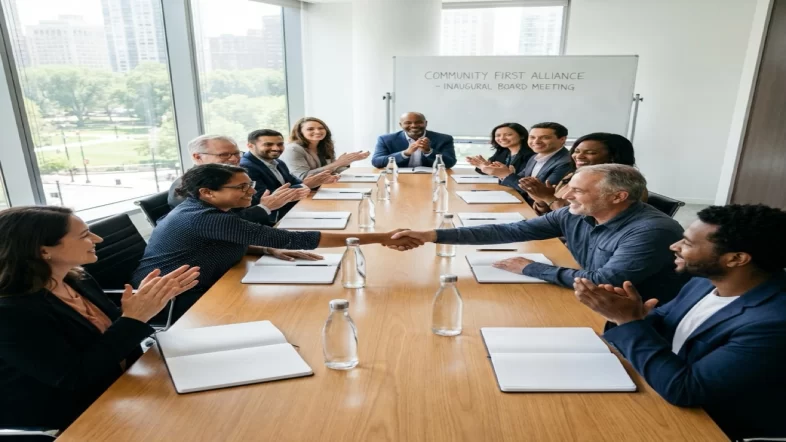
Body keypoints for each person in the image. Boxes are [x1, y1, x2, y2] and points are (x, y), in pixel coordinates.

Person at [573, 204, 786, 440]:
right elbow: (660, 320)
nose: (674, 246)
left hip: (714, 425)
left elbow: (685, 390)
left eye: (688, 243)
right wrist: (625, 312)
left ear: (736, 259)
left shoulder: (773, 323)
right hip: (661, 389)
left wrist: (627, 320)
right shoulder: (704, 282)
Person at [132, 164, 424, 322]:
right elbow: (296, 238)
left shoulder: (204, 211)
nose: (251, 192)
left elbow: (215, 243)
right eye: (242, 187)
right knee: (295, 317)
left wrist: (265, 247)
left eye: (250, 185)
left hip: (208, 283)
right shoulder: (207, 217)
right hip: (176, 301)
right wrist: (382, 237)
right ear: (207, 192)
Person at [0, 206, 199, 430]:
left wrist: (144, 303)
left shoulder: (76, 278)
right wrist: (135, 318)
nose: (98, 239)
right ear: (43, 251)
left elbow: (110, 333)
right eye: (84, 235)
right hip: (70, 411)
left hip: (121, 382)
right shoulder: (10, 313)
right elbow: (75, 377)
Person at [390, 164, 687, 304]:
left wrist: (530, 268)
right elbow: (510, 230)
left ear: (618, 197)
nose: (565, 195)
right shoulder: (576, 213)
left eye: (578, 190)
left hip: (639, 313)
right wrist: (431, 235)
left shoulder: (651, 231)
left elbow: (603, 281)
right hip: (591, 299)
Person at [168, 134, 306, 226]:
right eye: (224, 155)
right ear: (198, 157)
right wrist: (265, 206)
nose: (234, 159)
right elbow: (222, 225)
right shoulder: (186, 186)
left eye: (236, 153)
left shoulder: (229, 177)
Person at [521, 132, 647, 215]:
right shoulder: (571, 176)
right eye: (576, 151)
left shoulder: (625, 185)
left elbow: (579, 221)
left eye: (590, 153)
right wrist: (541, 200)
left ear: (613, 157)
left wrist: (548, 198)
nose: (579, 156)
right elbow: (550, 215)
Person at [240, 129, 338, 219]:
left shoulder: (278, 162)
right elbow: (263, 197)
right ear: (250, 146)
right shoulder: (246, 167)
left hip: (292, 208)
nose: (276, 148)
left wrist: (318, 181)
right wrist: (305, 185)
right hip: (272, 218)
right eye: (268, 144)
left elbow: (294, 182)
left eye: (280, 144)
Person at [482, 122, 573, 202]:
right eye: (532, 137)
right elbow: (520, 180)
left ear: (562, 139)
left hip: (541, 209)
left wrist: (505, 174)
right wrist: (503, 173)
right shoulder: (534, 157)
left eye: (545, 138)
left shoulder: (566, 162)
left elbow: (540, 192)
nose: (536, 141)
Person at [281, 117, 370, 180]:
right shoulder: (293, 149)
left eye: (321, 128)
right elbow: (302, 177)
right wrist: (338, 163)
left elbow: (333, 170)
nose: (317, 131)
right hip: (302, 192)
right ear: (300, 132)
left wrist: (347, 162)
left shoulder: (325, 146)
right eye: (310, 129)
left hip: (322, 187)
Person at [371, 112, 457, 169]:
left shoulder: (444, 139)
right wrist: (405, 153)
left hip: (431, 178)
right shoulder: (386, 139)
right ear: (401, 125)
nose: (414, 125)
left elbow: (450, 163)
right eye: (408, 123)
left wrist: (428, 151)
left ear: (426, 123)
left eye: (418, 122)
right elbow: (376, 162)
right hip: (399, 178)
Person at [466, 122, 534, 176]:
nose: (502, 138)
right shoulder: (502, 151)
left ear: (522, 136)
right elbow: (490, 172)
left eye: (508, 135)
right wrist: (485, 166)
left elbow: (522, 178)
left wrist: (504, 173)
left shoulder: (531, 155)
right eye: (498, 135)